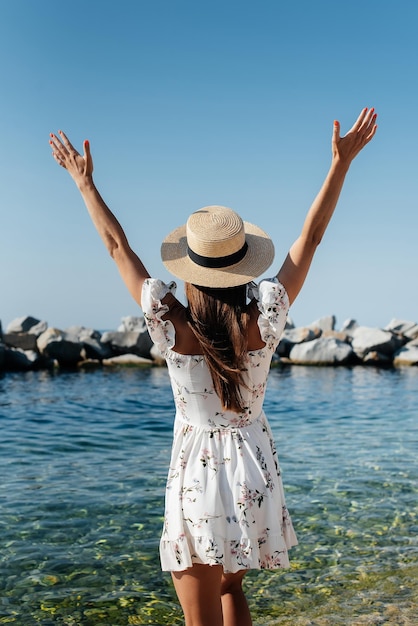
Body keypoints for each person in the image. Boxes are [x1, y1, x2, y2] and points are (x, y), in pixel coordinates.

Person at [49, 107, 377, 626]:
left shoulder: (171, 324)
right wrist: (340, 165)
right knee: (230, 593)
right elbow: (310, 241)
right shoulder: (265, 318)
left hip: (198, 477)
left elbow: (117, 247)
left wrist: (84, 183)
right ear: (245, 265)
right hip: (253, 467)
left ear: (191, 270)